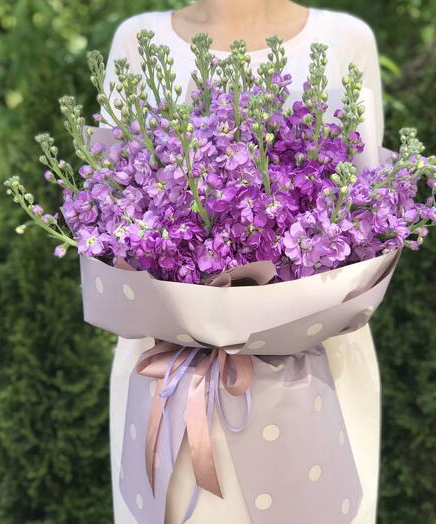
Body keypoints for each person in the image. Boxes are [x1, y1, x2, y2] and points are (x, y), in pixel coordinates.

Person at [101, 1, 385, 522]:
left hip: (315, 366)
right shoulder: (136, 40)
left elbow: (365, 206)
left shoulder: (345, 39)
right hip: (168, 369)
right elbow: (111, 205)